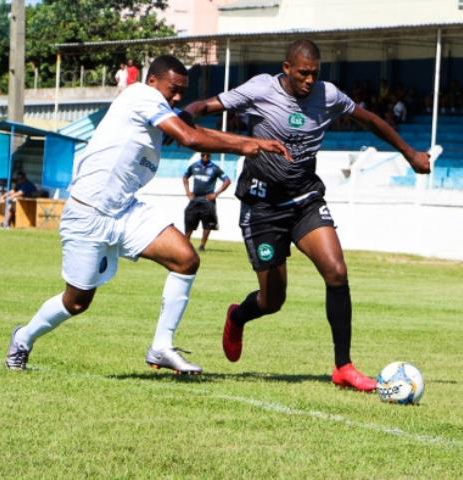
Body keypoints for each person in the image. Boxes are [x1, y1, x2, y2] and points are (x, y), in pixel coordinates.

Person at [184, 39, 442, 392]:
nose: (309, 80)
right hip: (262, 208)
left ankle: (343, 367)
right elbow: (209, 104)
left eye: (314, 74)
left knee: (336, 272)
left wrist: (410, 154)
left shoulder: (329, 95)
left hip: (305, 199)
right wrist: (189, 113)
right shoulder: (261, 88)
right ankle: (238, 316)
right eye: (303, 73)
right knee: (272, 301)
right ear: (287, 68)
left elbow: (368, 120)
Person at [5, 55, 289, 373]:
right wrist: (247, 144)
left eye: (183, 91)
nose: (178, 96)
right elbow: (190, 138)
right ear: (152, 81)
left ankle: (161, 347)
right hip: (88, 213)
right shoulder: (140, 96)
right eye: (174, 89)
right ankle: (23, 338)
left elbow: (187, 128)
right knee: (77, 302)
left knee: (186, 259)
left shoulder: (159, 110)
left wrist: (232, 131)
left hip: (125, 211)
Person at [182, 152, 231, 252]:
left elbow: (227, 180)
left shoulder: (215, 168)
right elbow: (185, 177)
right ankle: (185, 244)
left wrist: (216, 193)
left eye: (207, 155)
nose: (205, 157)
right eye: (203, 155)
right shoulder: (194, 166)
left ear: (210, 156)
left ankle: (202, 246)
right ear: (200, 155)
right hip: (195, 198)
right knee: (189, 220)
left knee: (208, 224)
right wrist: (187, 192)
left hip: (208, 200)